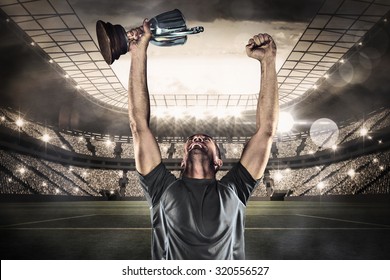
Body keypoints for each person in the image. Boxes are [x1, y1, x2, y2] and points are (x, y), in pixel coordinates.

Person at [127, 19, 279, 260]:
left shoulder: (236, 190)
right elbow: (139, 126)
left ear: (219, 161)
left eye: (207, 139)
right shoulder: (161, 188)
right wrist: (138, 51)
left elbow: (266, 131)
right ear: (182, 160)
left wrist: (268, 61)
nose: (197, 137)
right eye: (192, 139)